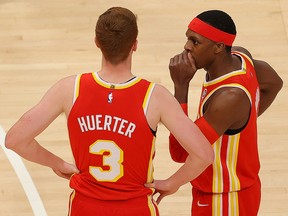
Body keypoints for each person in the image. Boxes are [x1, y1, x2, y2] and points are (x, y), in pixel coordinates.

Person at [4, 7, 214, 216]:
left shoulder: (69, 89)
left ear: (97, 42)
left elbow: (15, 139)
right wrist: (172, 183)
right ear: (135, 45)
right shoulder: (155, 97)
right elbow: (203, 155)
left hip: (84, 208)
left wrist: (58, 163)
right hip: (136, 209)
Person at [155, 10, 282, 216]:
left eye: (195, 42)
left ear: (218, 47)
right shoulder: (241, 57)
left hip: (225, 200)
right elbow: (274, 83)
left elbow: (180, 152)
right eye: (187, 38)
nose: (187, 47)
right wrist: (243, 121)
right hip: (235, 191)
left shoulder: (229, 99)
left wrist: (181, 87)